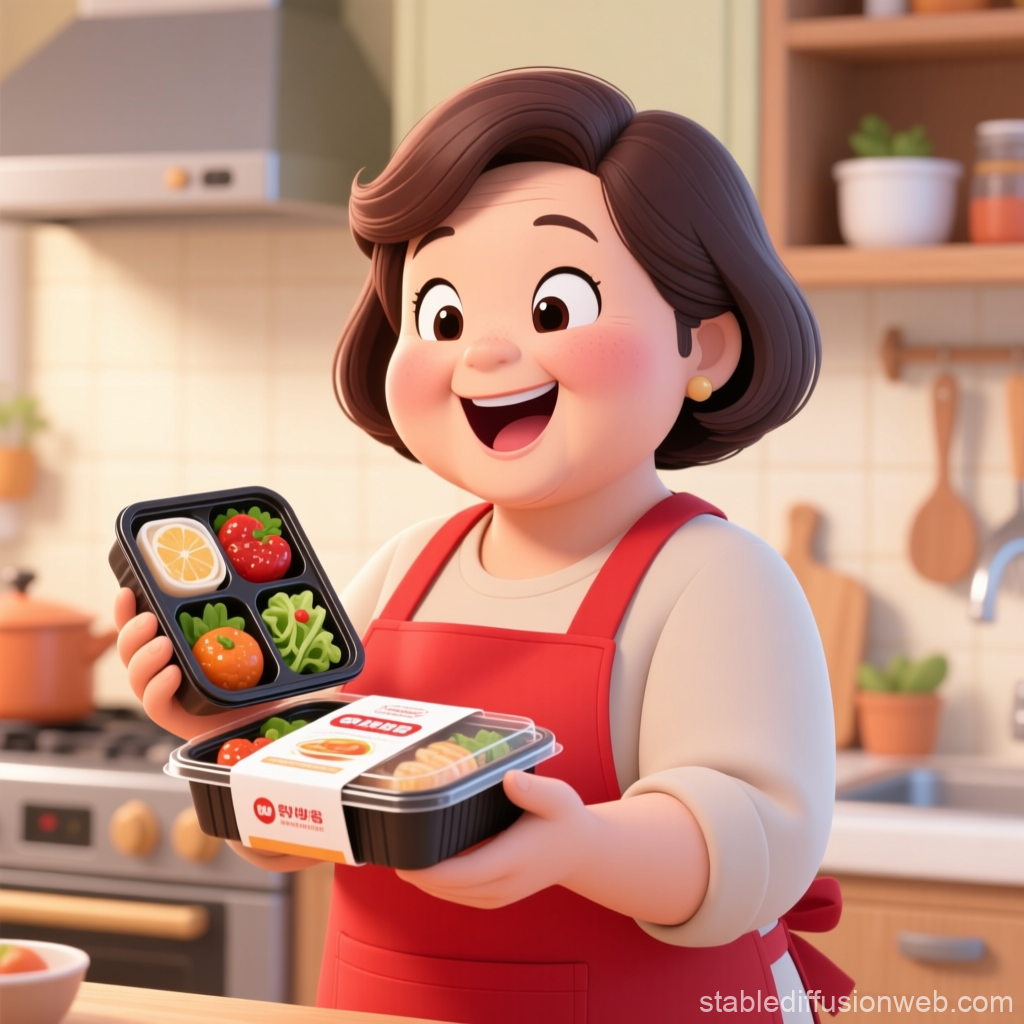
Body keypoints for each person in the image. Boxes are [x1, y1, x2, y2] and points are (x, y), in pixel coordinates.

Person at [115, 68, 852, 1023]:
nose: (485, 356)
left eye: (555, 307)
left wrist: (579, 847)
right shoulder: (404, 571)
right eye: (443, 317)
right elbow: (312, 827)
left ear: (701, 347)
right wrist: (236, 744)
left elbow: (755, 846)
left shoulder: (716, 582)